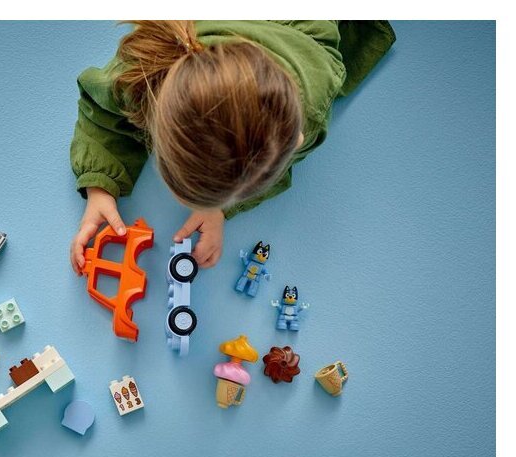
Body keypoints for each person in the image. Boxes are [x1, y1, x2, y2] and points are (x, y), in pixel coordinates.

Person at [69, 20, 395, 272]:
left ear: (295, 140)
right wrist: (100, 185)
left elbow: (270, 166)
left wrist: (219, 209)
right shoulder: (144, 68)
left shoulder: (306, 115)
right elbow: (100, 108)